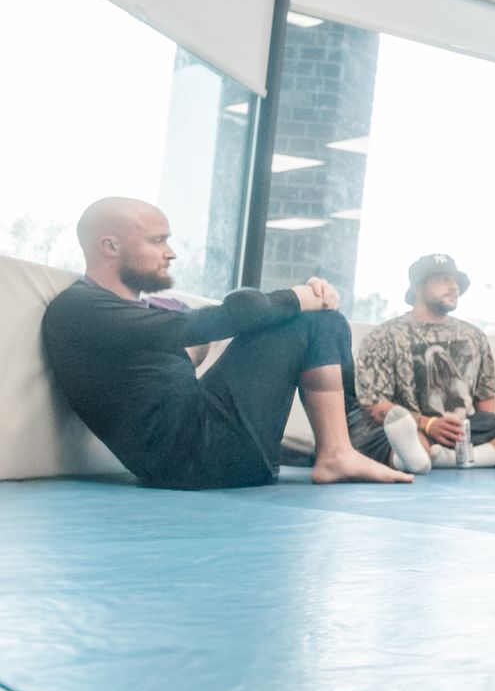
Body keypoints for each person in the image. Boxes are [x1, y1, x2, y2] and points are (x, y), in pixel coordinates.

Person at [41, 198, 410, 489]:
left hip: (203, 445)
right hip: (193, 458)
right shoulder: (80, 308)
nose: (170, 252)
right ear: (110, 245)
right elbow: (211, 323)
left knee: (304, 317)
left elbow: (201, 337)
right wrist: (297, 297)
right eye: (157, 241)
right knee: (315, 319)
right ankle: (338, 452)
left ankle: (345, 446)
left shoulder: (150, 309)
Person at [355, 254, 495, 472]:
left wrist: (475, 432)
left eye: (456, 282)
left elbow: (486, 400)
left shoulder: (474, 336)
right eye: (443, 279)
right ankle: (418, 456)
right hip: (414, 430)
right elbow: (374, 407)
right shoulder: (384, 337)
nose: (453, 287)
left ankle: (454, 459)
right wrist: (428, 424)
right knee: (406, 442)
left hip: (461, 430)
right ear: (418, 288)